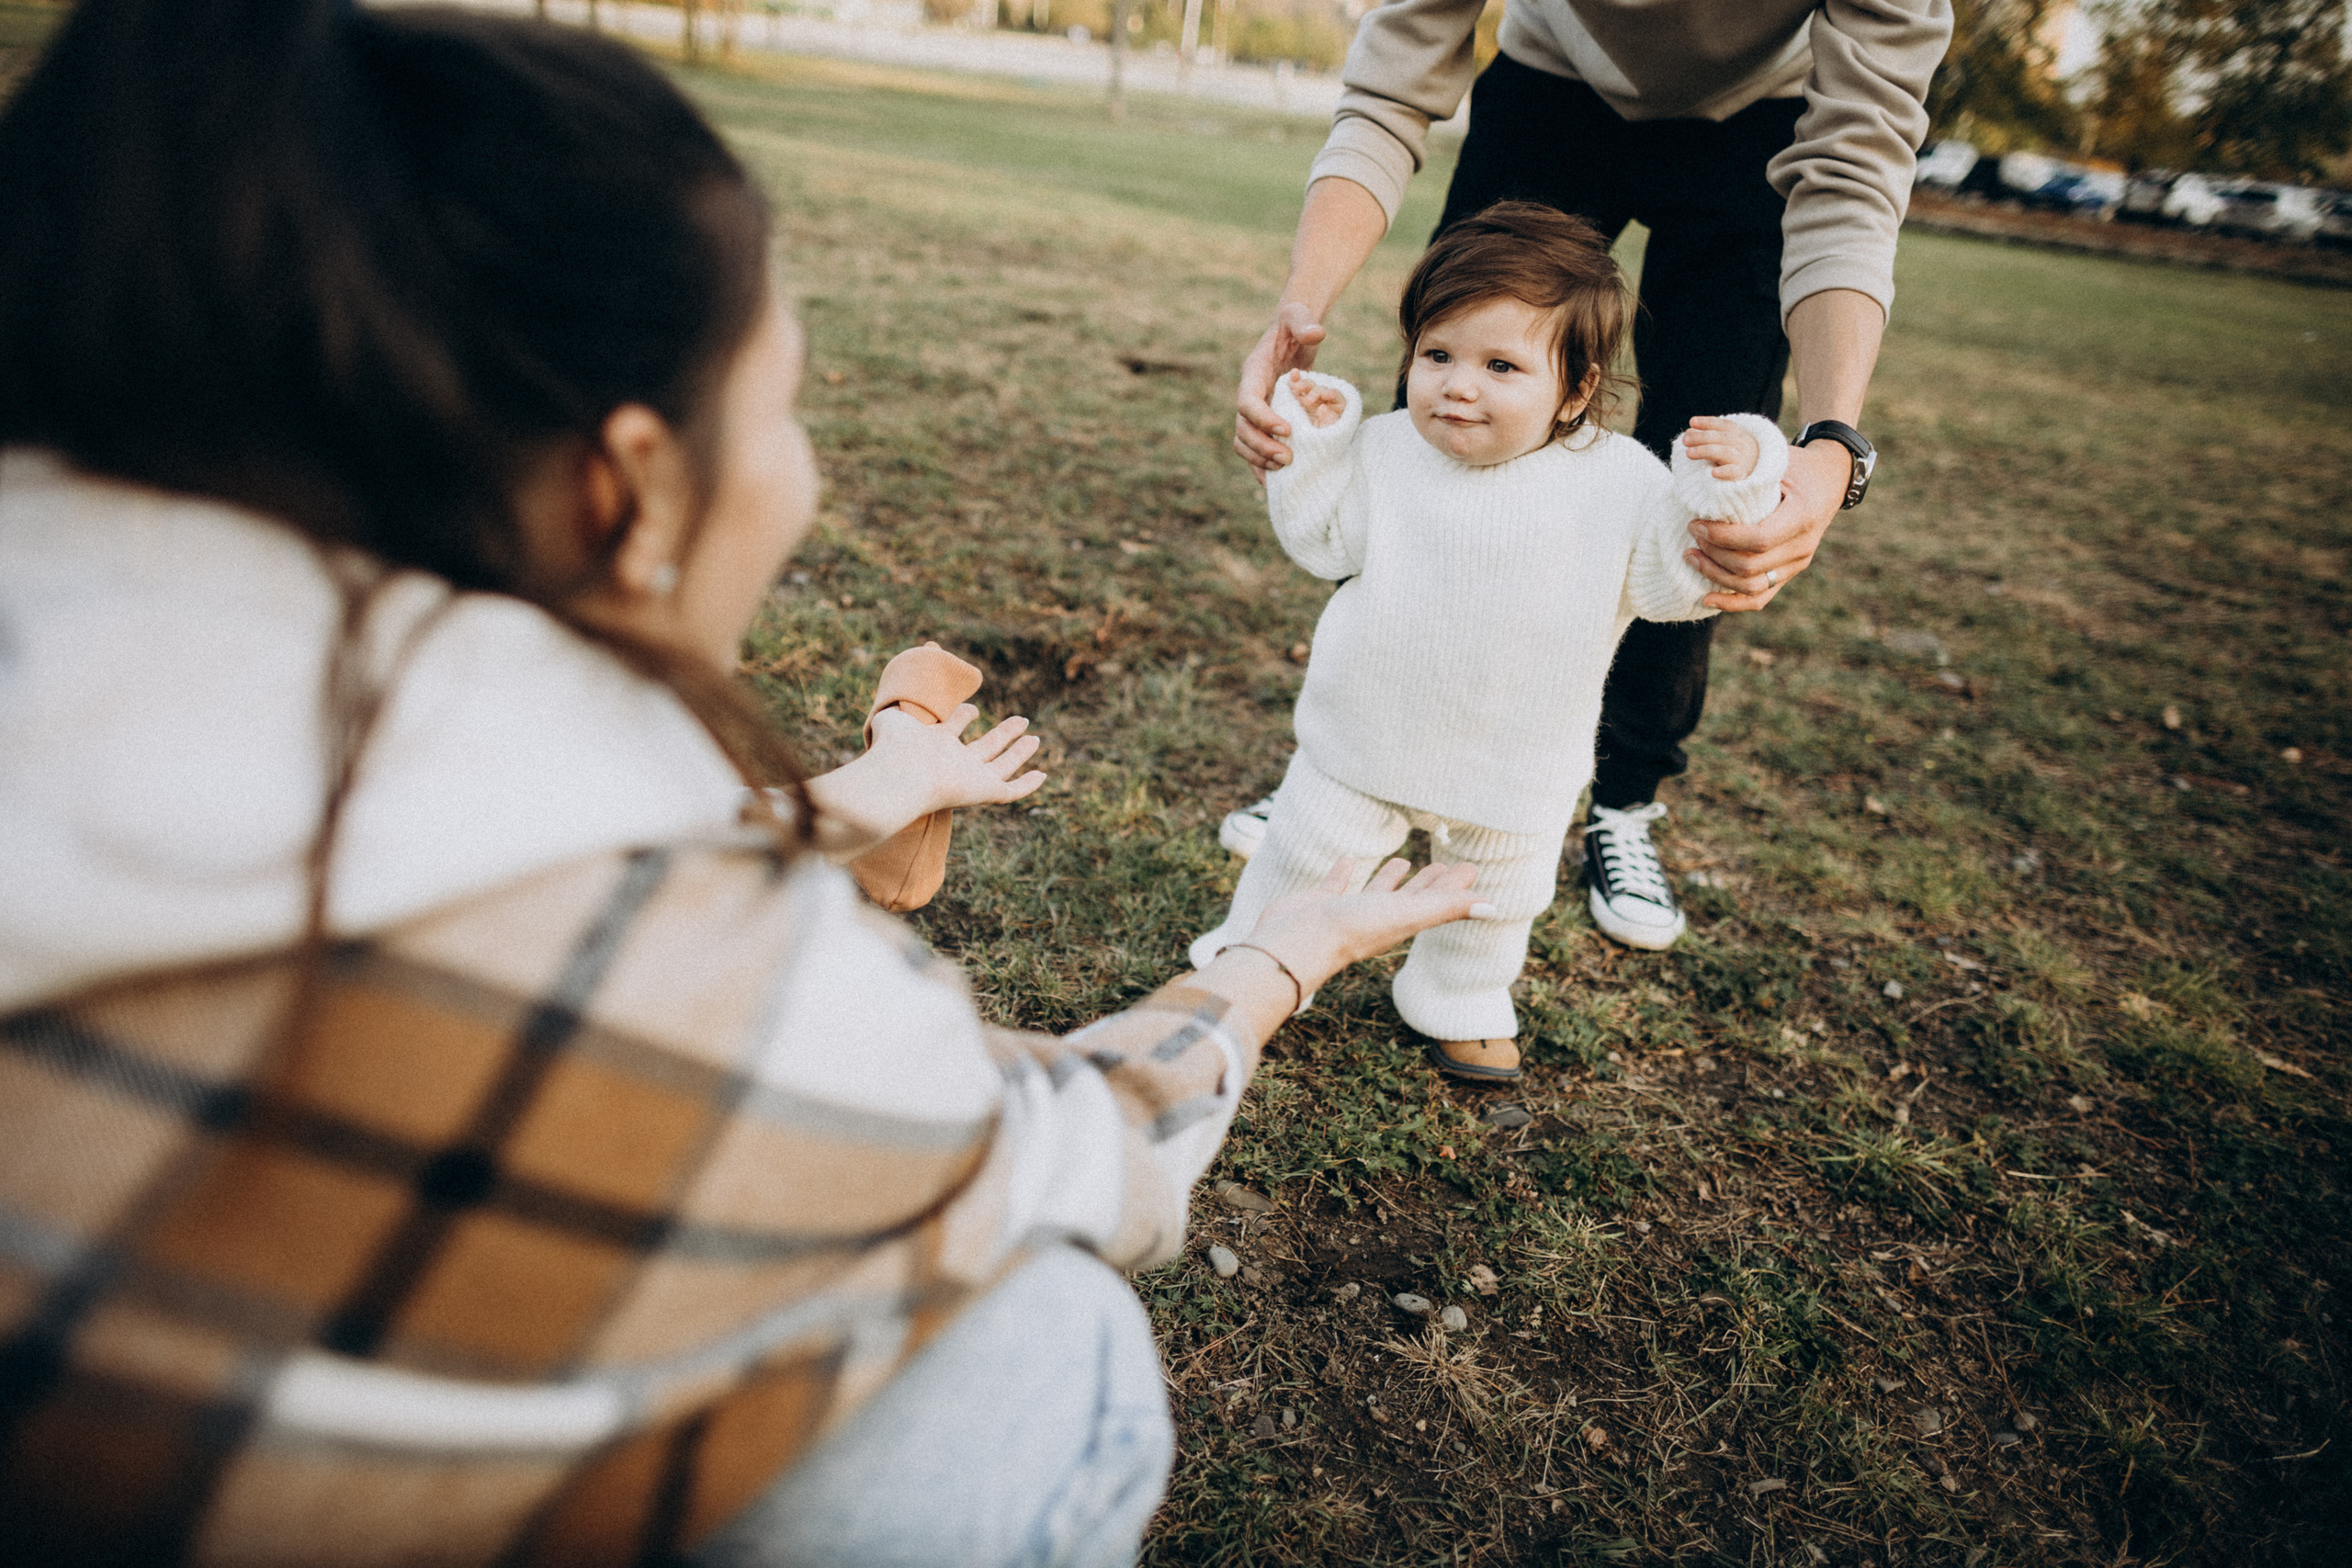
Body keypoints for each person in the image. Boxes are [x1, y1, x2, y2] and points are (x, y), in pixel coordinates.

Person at [0, 4, 1494, 1563]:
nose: (807, 476)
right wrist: (1283, 953)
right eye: (777, 407)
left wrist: (843, 801)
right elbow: (1080, 1147)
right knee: (1046, 1345)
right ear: (626, 488)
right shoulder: (662, 982)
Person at [1227, 0, 1953, 953]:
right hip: (1551, 88)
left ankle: (1622, 797)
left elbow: (1855, 174)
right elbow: (1392, 85)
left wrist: (1830, 444)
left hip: (1767, 122)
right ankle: (1358, 764)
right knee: (1461, 409)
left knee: (1707, 483)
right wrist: (1299, 307)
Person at [1189, 203, 1786, 1084]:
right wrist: (1314, 448)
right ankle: (1255, 959)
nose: (1457, 385)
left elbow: (1678, 584)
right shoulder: (1387, 449)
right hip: (1363, 734)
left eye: (1500, 365)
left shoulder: (1621, 481)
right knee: (1304, 855)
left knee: (1492, 901)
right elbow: (1323, 543)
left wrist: (1732, 488)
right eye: (1437, 356)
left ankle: (1456, 998)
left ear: (1577, 389)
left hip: (1518, 757)